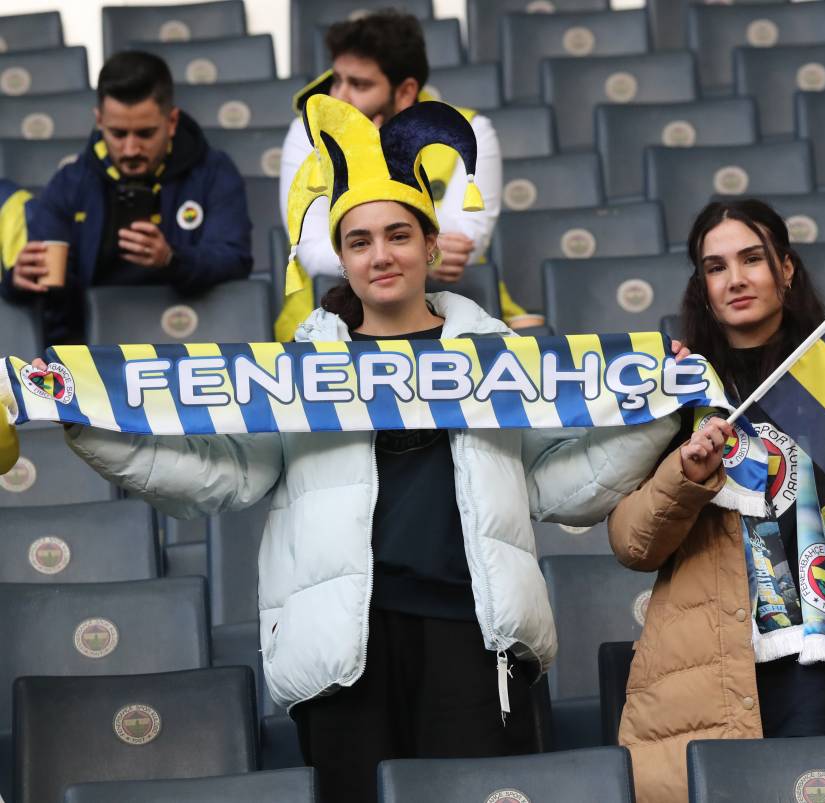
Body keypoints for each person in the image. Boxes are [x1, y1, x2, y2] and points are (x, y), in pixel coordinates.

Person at [50, 94, 677, 803]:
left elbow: (561, 489)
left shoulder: (498, 354)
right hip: (341, 654)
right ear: (341, 257)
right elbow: (221, 475)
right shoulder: (301, 365)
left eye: (399, 234)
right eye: (359, 240)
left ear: (432, 242)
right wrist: (94, 428)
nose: (381, 255)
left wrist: (662, 416)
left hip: (475, 640)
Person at [607, 199, 825, 803]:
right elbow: (632, 543)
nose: (736, 278)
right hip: (705, 670)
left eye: (752, 259)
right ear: (703, 286)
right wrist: (686, 473)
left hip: (823, 668)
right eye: (716, 267)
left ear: (787, 269)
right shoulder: (675, 389)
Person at [276, 10, 534, 338]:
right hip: (324, 312)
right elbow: (312, 250)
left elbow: (469, 239)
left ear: (405, 91)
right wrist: (410, 242)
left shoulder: (467, 130)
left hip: (451, 312)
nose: (340, 96)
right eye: (337, 79)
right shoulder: (309, 130)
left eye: (360, 84)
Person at [0, 51, 252, 346]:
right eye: (118, 133)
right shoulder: (71, 183)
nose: (131, 149)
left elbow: (235, 259)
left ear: (171, 121)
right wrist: (18, 280)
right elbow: (55, 294)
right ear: (99, 121)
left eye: (145, 134)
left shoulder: (214, 173)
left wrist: (172, 259)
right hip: (93, 349)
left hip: (195, 340)